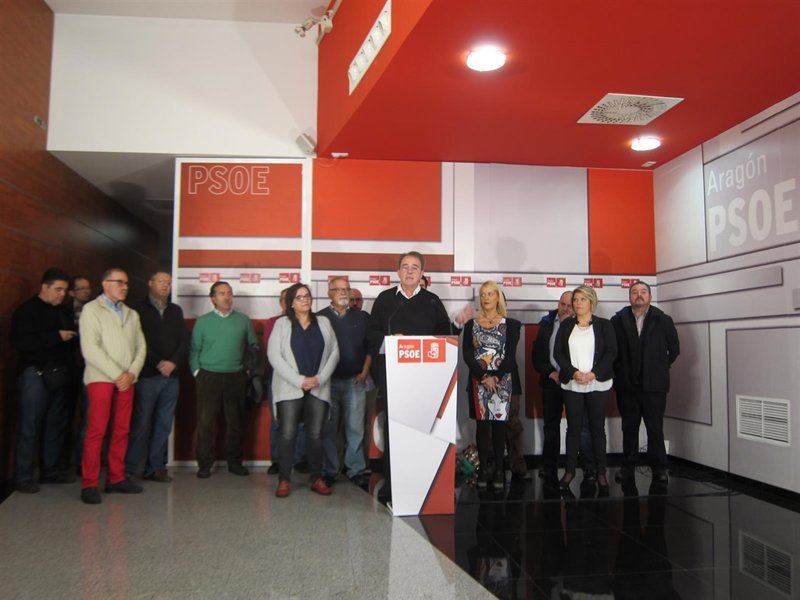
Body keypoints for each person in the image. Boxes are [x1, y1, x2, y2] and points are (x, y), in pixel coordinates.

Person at [366, 251, 468, 502]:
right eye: (405, 266)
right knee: (395, 430)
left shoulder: (432, 301)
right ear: (398, 271)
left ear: (422, 273)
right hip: (394, 377)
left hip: (426, 380)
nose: (410, 271)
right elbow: (371, 333)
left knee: (423, 431)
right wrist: (390, 341)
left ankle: (423, 481)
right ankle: (392, 484)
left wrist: (457, 325)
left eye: (415, 267)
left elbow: (444, 337)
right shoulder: (385, 300)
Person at [79, 268, 147, 504]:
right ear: (105, 284)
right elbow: (91, 348)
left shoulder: (131, 314)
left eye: (126, 283)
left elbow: (141, 347)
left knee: (122, 430)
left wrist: (132, 373)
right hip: (101, 378)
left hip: (127, 380)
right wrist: (119, 374)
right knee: (97, 431)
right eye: (119, 282)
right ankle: (89, 483)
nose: (125, 287)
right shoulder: (91, 310)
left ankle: (116, 478)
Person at [268, 283, 340, 498]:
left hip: (318, 387)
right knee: (288, 433)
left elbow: (334, 352)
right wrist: (299, 381)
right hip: (290, 387)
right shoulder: (282, 324)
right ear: (291, 302)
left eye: (307, 296)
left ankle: (316, 478)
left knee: (316, 434)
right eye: (299, 297)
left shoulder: (324, 322)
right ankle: (284, 479)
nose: (305, 300)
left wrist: (320, 379)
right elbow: (274, 356)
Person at [11, 268, 77, 493]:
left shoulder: (63, 312)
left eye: (65, 290)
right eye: (58, 289)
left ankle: (50, 471)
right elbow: (20, 343)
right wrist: (55, 336)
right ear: (44, 287)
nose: (62, 294)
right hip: (35, 373)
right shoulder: (26, 311)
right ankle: (24, 476)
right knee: (30, 426)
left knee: (55, 425)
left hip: (60, 373)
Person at [611, 281, 680, 484]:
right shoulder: (617, 320)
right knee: (629, 428)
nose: (639, 295)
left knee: (655, 428)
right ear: (629, 297)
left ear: (650, 296)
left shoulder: (663, 320)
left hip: (654, 386)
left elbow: (674, 350)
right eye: (634, 292)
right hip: (627, 386)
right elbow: (612, 351)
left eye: (643, 292)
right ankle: (628, 467)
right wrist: (620, 371)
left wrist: (658, 367)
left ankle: (659, 468)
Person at [190, 281, 258, 479]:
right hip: (208, 376)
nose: (227, 297)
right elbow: (194, 350)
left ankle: (234, 463)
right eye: (221, 293)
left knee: (235, 423)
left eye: (229, 293)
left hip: (236, 377)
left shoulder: (243, 320)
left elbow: (253, 346)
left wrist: (247, 370)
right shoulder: (203, 322)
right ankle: (204, 465)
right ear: (213, 298)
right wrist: (197, 372)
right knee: (205, 423)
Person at [124, 271, 187, 482]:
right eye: (161, 281)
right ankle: (130, 468)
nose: (165, 285)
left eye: (168, 282)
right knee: (141, 423)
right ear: (150, 283)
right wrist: (159, 363)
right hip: (148, 375)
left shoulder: (175, 310)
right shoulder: (137, 309)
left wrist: (173, 363)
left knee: (164, 424)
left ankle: (155, 467)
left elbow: (183, 341)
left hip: (172, 377)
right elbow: (137, 343)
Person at [553, 285, 616, 494]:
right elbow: (558, 353)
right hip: (573, 384)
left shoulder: (604, 325)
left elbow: (611, 353)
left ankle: (601, 472)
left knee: (597, 429)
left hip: (597, 383)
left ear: (591, 302)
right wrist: (573, 373)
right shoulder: (566, 326)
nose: (578, 303)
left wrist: (593, 374)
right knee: (573, 429)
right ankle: (570, 471)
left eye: (582, 299)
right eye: (576, 300)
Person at [462, 280, 521, 490]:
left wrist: (495, 377)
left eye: (490, 294)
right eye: (483, 294)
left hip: (502, 381)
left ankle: (498, 470)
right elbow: (467, 354)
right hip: (479, 381)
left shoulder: (511, 325)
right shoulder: (471, 325)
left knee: (499, 426)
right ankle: (484, 470)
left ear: (498, 297)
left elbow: (510, 356)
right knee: (482, 426)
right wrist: (484, 376)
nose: (486, 298)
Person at [532, 291, 595, 484]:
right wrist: (550, 372)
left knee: (582, 426)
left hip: (576, 382)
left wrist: (574, 374)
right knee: (551, 425)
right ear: (558, 304)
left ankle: (588, 468)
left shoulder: (584, 324)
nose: (566, 309)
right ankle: (549, 467)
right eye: (563, 304)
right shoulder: (546, 323)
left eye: (570, 305)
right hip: (552, 381)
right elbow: (538, 354)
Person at [318, 278, 372, 487]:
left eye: (346, 289)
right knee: (329, 429)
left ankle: (355, 469)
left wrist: (365, 371)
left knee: (355, 428)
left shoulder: (361, 317)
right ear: (329, 293)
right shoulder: (320, 317)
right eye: (338, 289)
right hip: (328, 383)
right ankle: (330, 470)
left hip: (355, 381)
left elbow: (370, 347)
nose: (343, 292)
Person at [264, 289, 307, 476]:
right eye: (283, 299)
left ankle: (298, 459)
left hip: (302, 380)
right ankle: (277, 460)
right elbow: (273, 351)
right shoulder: (273, 322)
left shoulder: (306, 322)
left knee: (302, 423)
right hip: (280, 379)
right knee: (278, 422)